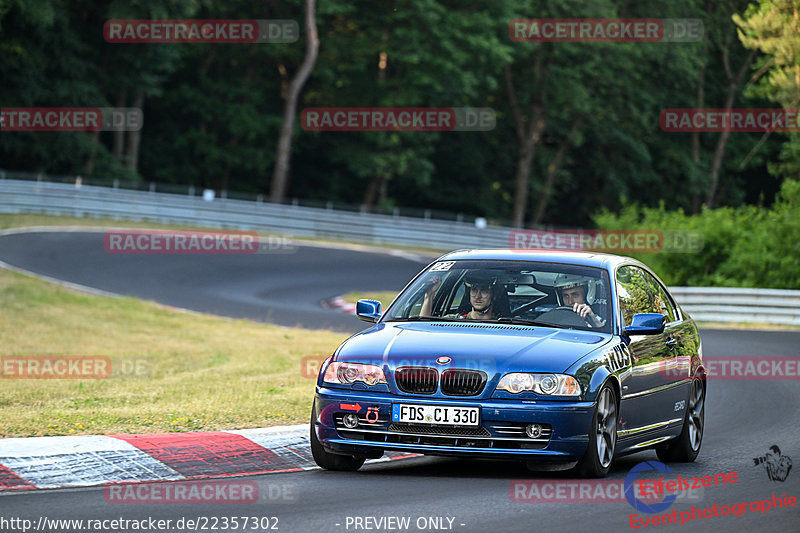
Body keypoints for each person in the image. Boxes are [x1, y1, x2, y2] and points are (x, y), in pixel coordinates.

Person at [420, 271, 497, 320]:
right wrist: (429, 296)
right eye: (474, 289)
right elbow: (423, 326)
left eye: (484, 290)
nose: (477, 296)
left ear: (492, 294)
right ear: (469, 293)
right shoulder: (454, 320)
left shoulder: (504, 325)